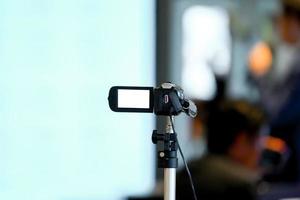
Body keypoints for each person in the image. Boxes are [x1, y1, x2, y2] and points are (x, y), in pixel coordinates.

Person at [251, 0, 300, 182]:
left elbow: (277, 110)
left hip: (292, 156)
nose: (278, 26)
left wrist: (260, 73)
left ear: (294, 22)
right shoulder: (285, 54)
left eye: (281, 21)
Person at [176, 100, 265, 200]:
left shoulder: (183, 176)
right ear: (240, 141)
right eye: (260, 141)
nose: (262, 149)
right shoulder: (245, 185)